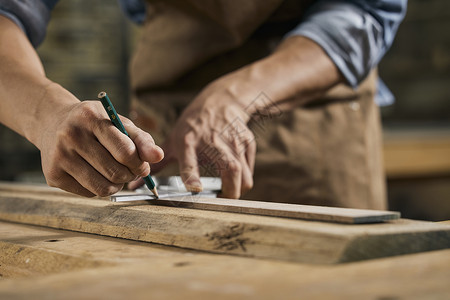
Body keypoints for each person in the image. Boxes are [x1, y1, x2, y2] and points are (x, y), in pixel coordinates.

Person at [0, 0, 407, 209]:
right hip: (164, 124)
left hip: (311, 119)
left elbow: (369, 10)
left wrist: (236, 95)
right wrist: (45, 113)